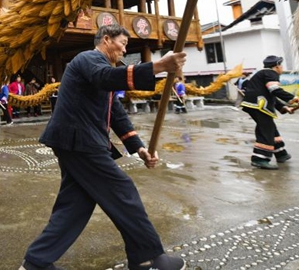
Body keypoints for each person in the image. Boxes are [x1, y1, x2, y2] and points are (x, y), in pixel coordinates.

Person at [20, 24, 187, 270]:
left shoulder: (103, 70)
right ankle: (148, 259)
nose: (124, 49)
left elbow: (116, 114)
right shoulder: (88, 60)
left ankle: (36, 262)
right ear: (106, 39)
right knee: (123, 192)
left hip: (77, 143)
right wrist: (159, 66)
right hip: (80, 142)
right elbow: (105, 78)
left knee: (76, 205)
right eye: (122, 43)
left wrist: (138, 147)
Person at [240, 56, 299, 170]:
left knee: (271, 129)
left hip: (255, 104)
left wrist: (285, 108)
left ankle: (281, 153)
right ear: (276, 66)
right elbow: (275, 90)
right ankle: (260, 159)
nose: (282, 68)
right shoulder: (270, 73)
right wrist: (296, 99)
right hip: (258, 105)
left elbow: (272, 96)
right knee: (266, 129)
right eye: (281, 66)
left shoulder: (264, 74)